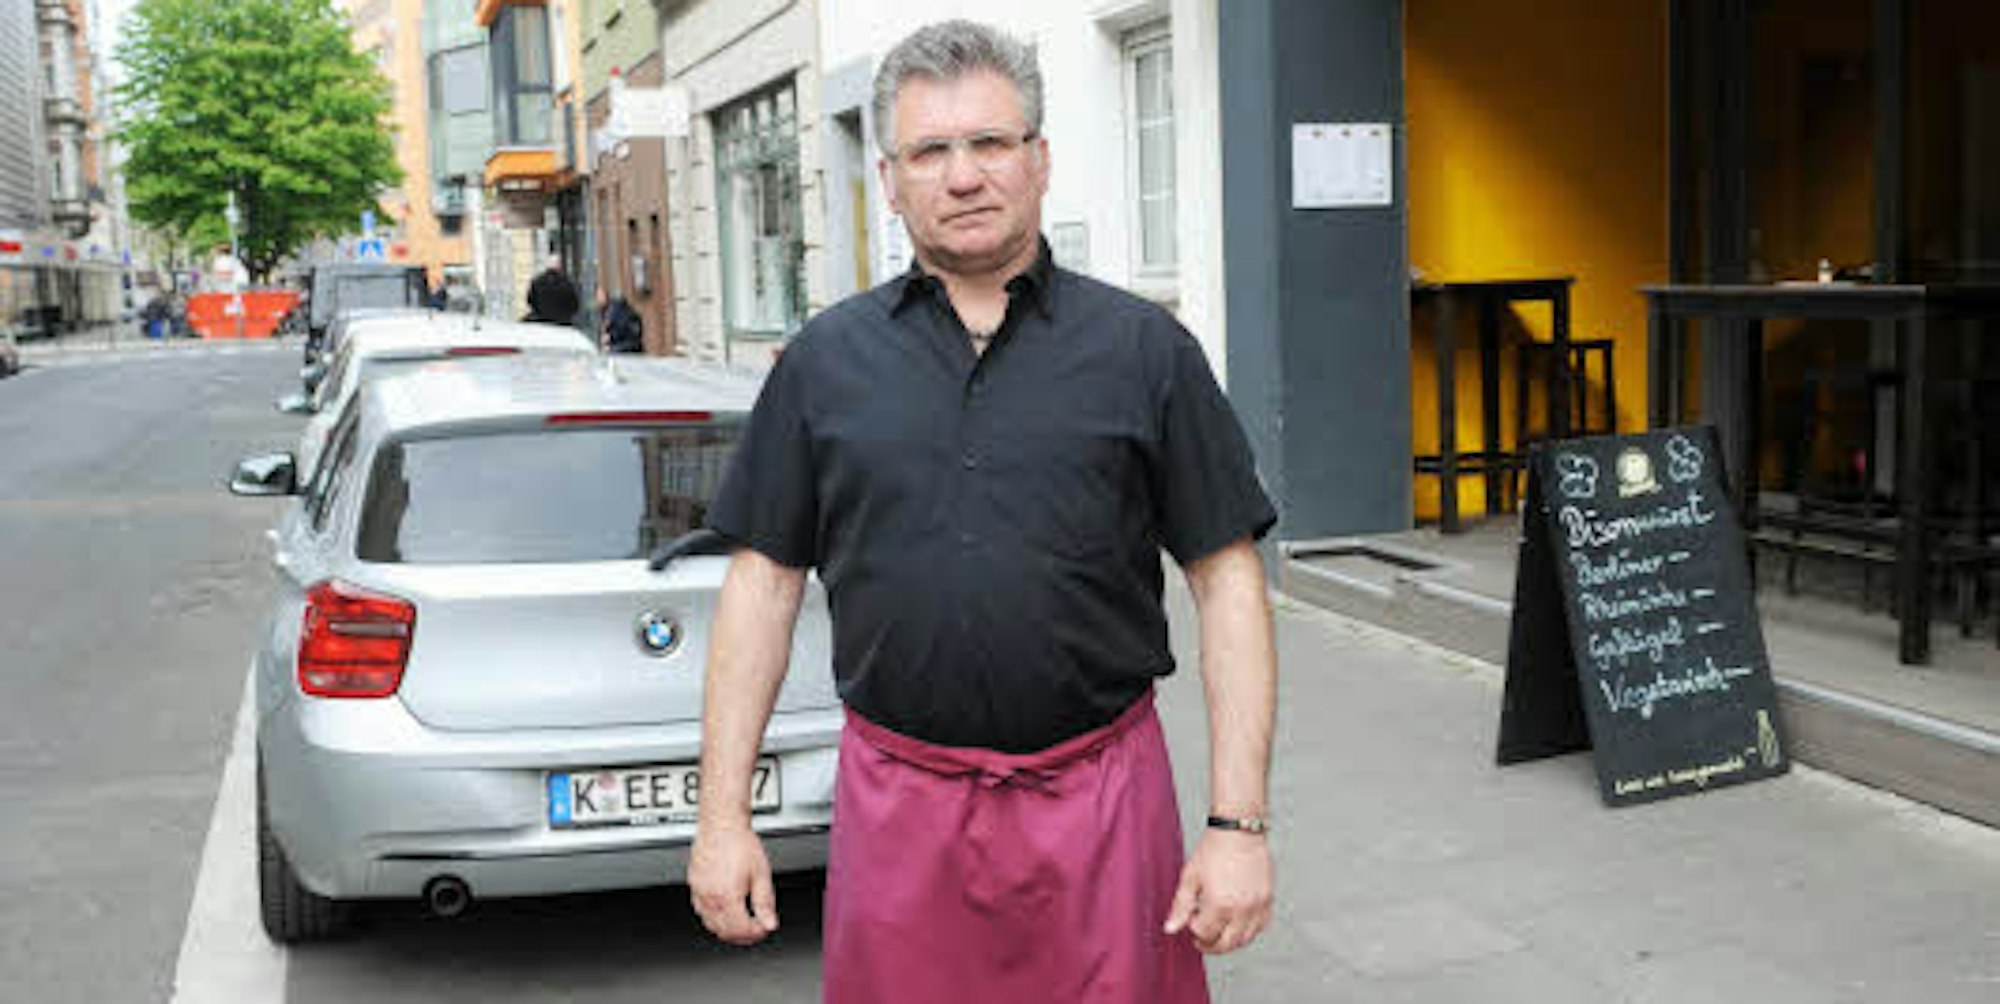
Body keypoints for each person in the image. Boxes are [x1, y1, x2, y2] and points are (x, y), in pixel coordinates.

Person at [689, 20, 1278, 1003]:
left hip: (1103, 802)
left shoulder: (1146, 352)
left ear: (1038, 159)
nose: (962, 176)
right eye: (929, 151)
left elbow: (1227, 584)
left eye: (990, 142)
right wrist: (721, 819)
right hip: (898, 814)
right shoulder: (822, 364)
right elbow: (762, 589)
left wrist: (1238, 824)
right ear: (889, 180)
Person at [525, 254, 580, 325]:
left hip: (541, 320)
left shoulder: (537, 281)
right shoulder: (566, 283)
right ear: (559, 266)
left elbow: (530, 301)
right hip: (562, 322)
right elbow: (574, 305)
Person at [596, 287, 644, 353]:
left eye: (599, 296)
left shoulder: (615, 311)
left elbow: (624, 333)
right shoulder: (605, 312)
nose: (597, 300)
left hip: (626, 350)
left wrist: (610, 338)